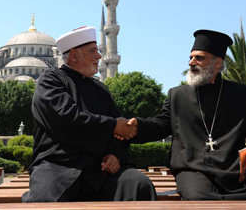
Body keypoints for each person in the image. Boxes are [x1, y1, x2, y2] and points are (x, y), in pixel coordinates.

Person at [22, 26, 156, 202]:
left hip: (99, 170)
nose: (99, 56)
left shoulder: (100, 89)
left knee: (138, 184)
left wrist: (115, 154)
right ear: (74, 55)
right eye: (93, 51)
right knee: (46, 200)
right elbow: (67, 120)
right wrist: (113, 126)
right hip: (58, 168)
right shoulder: (51, 81)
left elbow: (119, 135)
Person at [123, 29, 246, 200]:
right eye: (191, 57)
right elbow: (161, 125)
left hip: (233, 168)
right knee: (200, 199)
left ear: (218, 64)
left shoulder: (243, 95)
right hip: (193, 169)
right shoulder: (178, 95)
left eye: (199, 58)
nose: (192, 62)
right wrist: (135, 127)